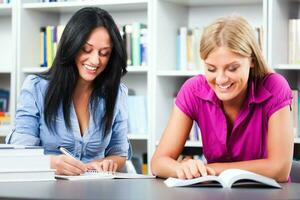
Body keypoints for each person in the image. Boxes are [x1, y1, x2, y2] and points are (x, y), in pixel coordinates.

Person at [151, 16, 294, 182]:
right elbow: (158, 163)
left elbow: (280, 169)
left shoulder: (274, 87)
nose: (220, 79)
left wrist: (211, 169)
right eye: (211, 69)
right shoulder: (193, 90)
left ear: (252, 61)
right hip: (215, 193)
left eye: (232, 68)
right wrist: (182, 168)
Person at [6, 7, 130, 175]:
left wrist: (107, 163)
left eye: (104, 53)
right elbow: (20, 154)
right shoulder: (36, 88)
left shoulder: (116, 94)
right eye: (86, 49)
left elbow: (119, 153)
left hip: (96, 189)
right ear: (71, 45)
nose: (95, 60)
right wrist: (52, 163)